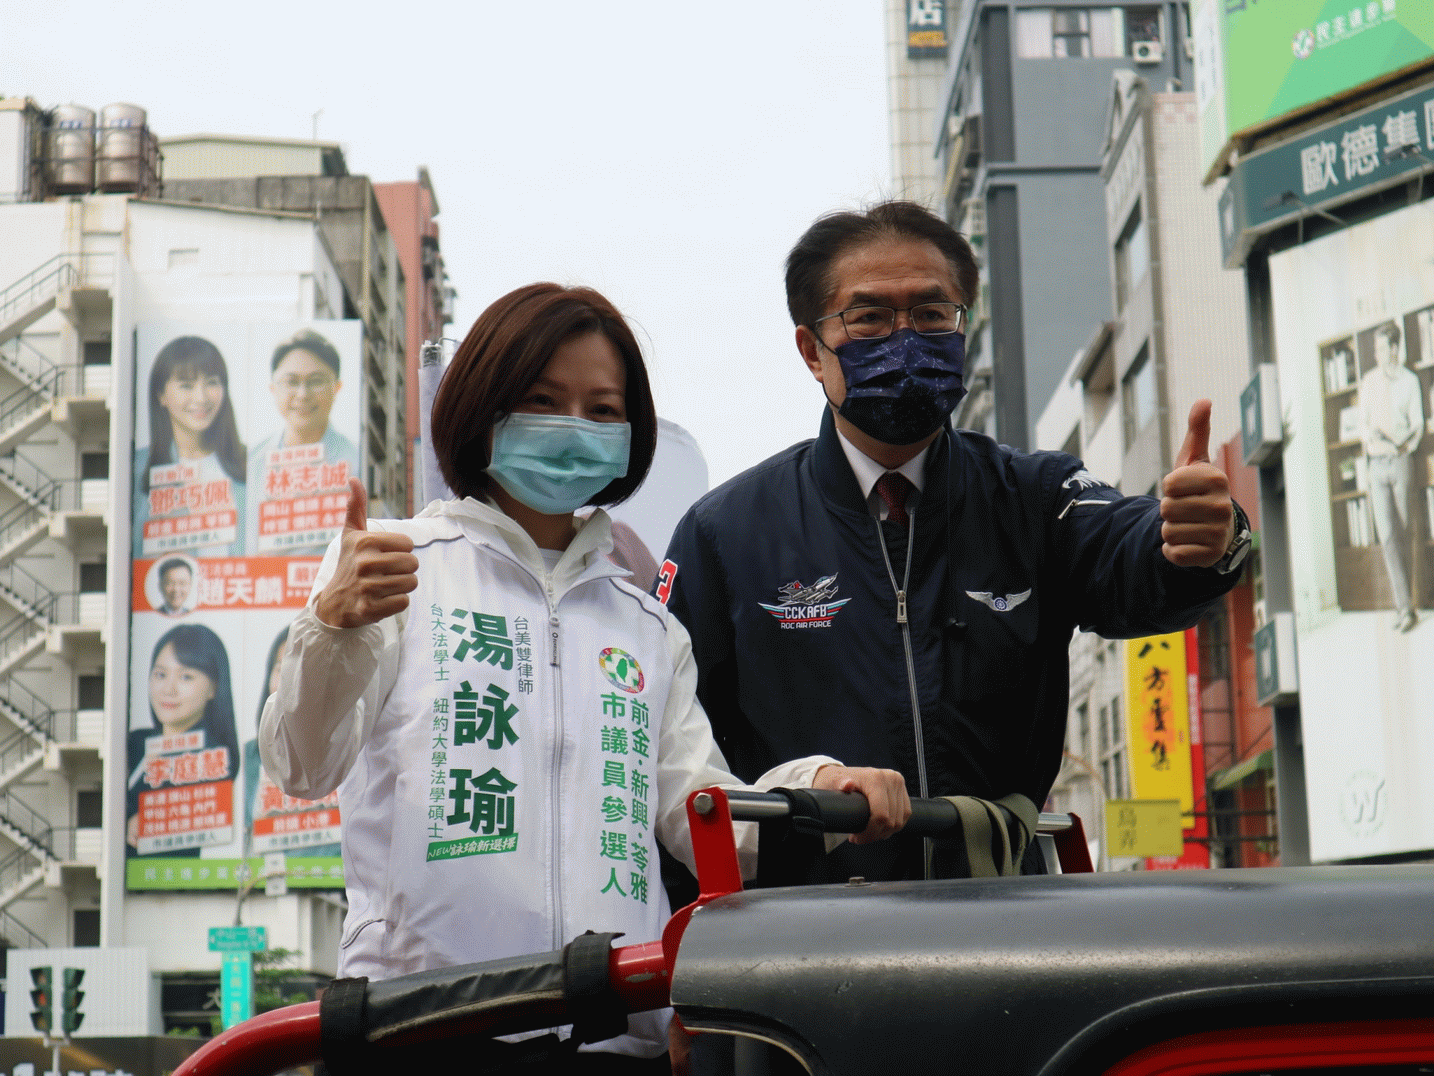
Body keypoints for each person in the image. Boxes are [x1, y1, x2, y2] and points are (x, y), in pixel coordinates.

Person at [259, 283, 909, 1070]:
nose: (575, 426)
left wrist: (816, 786)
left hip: (612, 1030)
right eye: (543, 399)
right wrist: (333, 625)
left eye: (603, 410)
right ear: (481, 406)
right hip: (419, 1030)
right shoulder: (391, 567)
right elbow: (301, 765)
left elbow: (695, 812)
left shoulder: (646, 624)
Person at [658, 201, 1249, 886]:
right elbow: (674, 762)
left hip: (1002, 917)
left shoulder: (1036, 495)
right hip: (803, 938)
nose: (905, 338)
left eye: (933, 315)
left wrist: (1202, 541)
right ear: (811, 350)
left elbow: (1131, 555)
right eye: (870, 317)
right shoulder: (726, 533)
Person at [126, 623, 241, 857]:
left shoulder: (213, 760)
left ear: (213, 688)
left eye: (186, 677)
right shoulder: (135, 741)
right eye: (160, 674)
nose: (168, 689)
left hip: (166, 880)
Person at [246, 329, 360, 557]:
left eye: (316, 381)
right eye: (291, 382)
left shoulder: (355, 461)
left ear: (336, 388)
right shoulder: (250, 463)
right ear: (273, 389)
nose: (302, 394)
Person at [133, 336, 246, 559]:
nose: (201, 397)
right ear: (161, 395)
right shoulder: (137, 468)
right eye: (186, 385)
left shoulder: (251, 463)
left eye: (212, 382)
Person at [244, 626, 341, 860]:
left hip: (335, 890)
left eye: (306, 670)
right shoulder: (250, 755)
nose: (291, 681)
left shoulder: (348, 749)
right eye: (281, 669)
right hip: (265, 887)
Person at [1358, 320, 1424, 633]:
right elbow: (1363, 425)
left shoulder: (1410, 381)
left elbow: (1418, 424)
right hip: (1376, 465)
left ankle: (1411, 602)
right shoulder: (1368, 382)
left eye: (1383, 347)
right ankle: (1405, 608)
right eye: (1376, 348)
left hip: (1401, 461)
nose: (1378, 353)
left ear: (1395, 348)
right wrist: (1375, 437)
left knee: (1406, 531)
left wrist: (1403, 445)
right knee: (1386, 536)